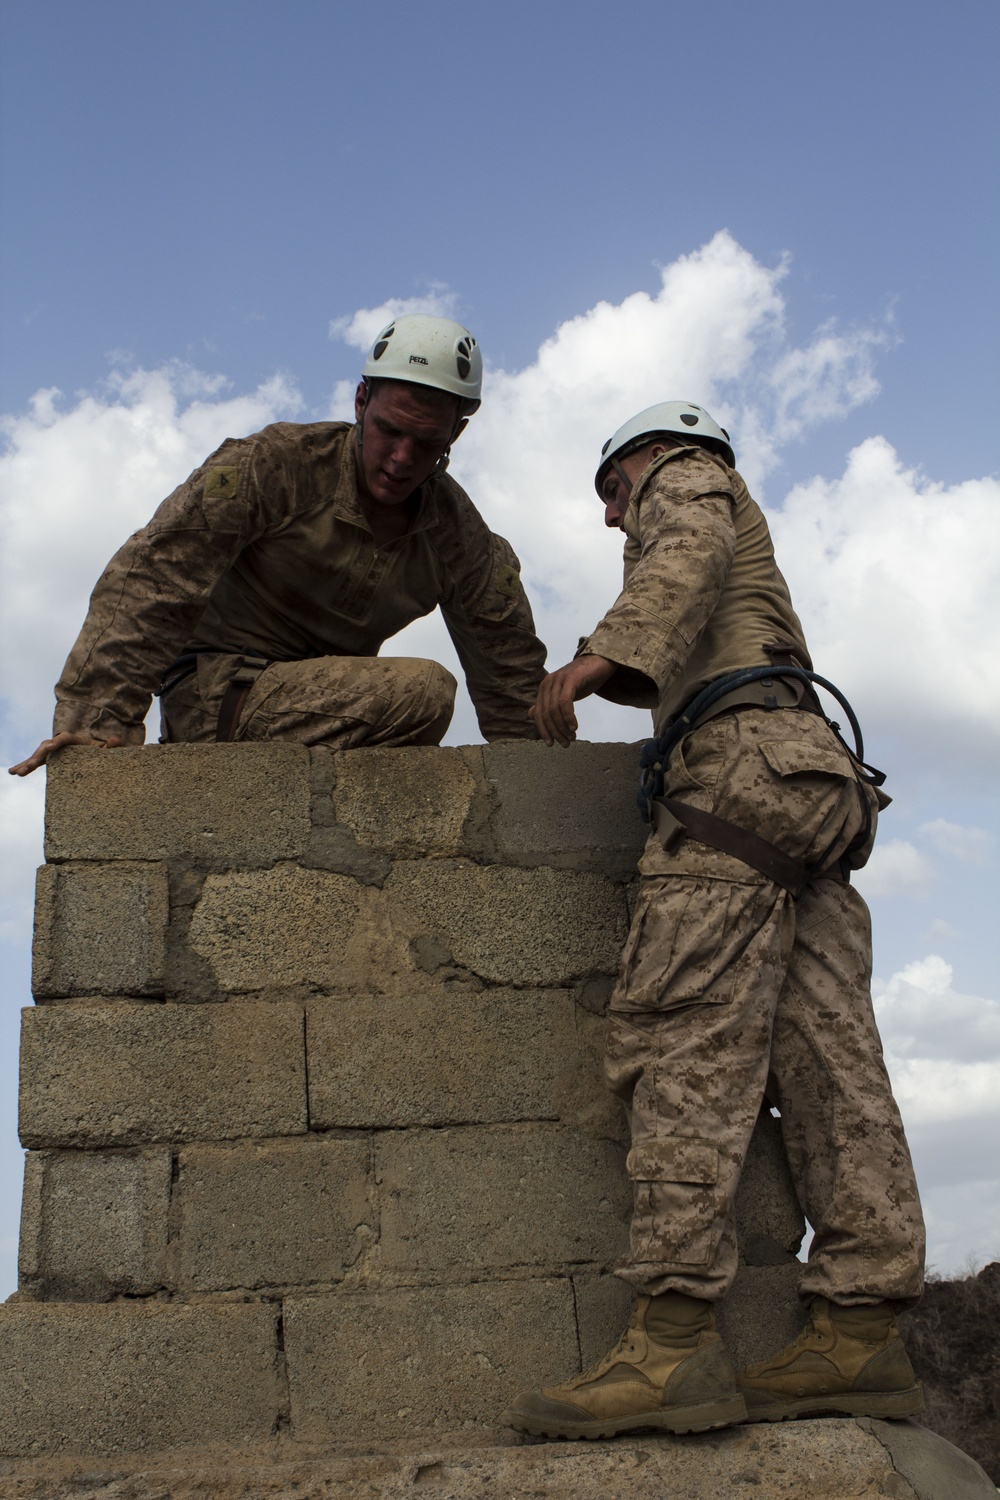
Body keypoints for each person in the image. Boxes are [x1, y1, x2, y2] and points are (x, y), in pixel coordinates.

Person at [509, 401, 925, 1439]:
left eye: (612, 490)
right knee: (831, 1055)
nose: (614, 517)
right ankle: (860, 1333)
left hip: (736, 772)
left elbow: (680, 551)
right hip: (813, 780)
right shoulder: (745, 524)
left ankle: (669, 1346)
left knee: (682, 1039)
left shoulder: (685, 476)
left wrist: (599, 659)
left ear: (644, 457)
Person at [10, 315, 545, 776]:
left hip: (331, 711)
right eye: (389, 430)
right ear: (362, 402)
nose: (403, 457)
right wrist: (97, 724)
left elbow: (512, 679)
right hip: (214, 694)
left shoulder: (462, 540)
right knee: (422, 691)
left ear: (456, 433)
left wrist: (540, 792)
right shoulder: (275, 466)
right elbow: (154, 579)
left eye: (427, 441)